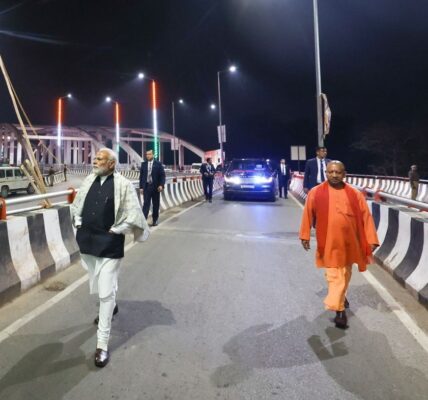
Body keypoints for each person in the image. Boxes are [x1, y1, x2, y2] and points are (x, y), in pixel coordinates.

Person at [71, 148, 150, 368]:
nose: (94, 161)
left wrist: (118, 230)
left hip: (109, 244)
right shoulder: (89, 180)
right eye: (95, 158)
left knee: (104, 292)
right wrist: (77, 222)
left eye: (99, 159)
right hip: (87, 242)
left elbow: (133, 213)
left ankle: (102, 345)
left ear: (112, 164)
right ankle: (112, 303)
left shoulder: (123, 184)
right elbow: (77, 204)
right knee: (99, 280)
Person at [299, 161, 379, 329]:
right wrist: (305, 235)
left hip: (350, 242)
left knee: (346, 273)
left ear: (344, 174)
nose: (334, 175)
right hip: (328, 242)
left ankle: (341, 296)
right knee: (334, 274)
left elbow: (366, 217)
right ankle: (339, 311)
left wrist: (371, 239)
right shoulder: (316, 192)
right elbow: (307, 213)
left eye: (337, 172)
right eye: (330, 172)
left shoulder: (354, 194)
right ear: (326, 173)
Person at [139, 149, 166, 226]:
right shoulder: (143, 164)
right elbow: (141, 177)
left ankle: (155, 219)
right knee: (146, 204)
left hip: (156, 187)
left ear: (153, 155)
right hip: (147, 187)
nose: (148, 156)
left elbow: (162, 176)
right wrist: (141, 187)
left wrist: (161, 185)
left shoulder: (158, 164)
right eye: (147, 154)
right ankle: (143, 221)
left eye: (150, 154)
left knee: (156, 204)